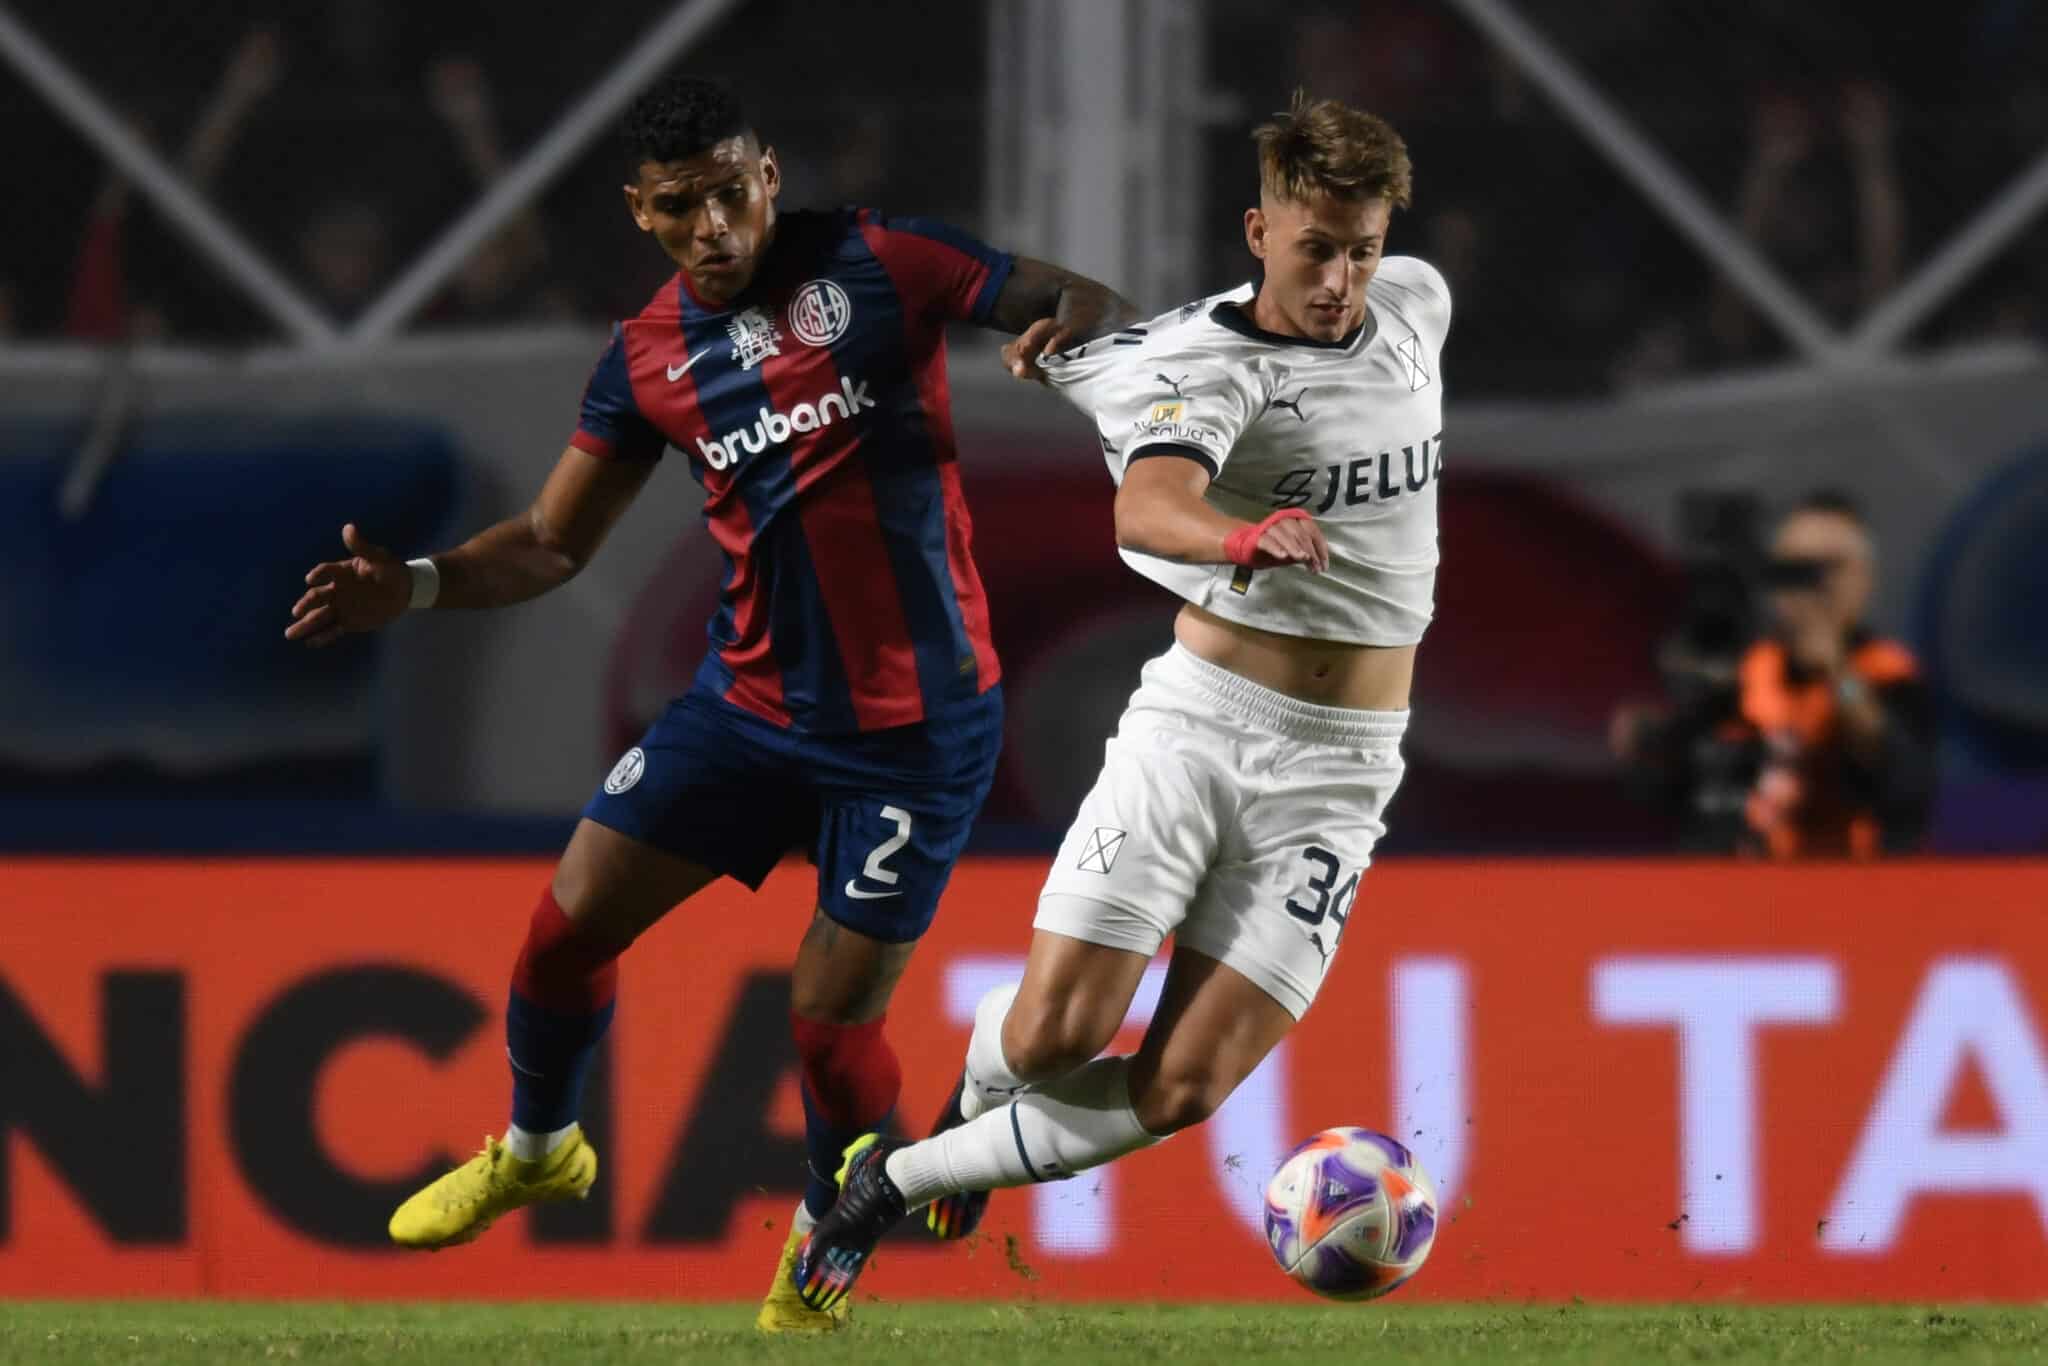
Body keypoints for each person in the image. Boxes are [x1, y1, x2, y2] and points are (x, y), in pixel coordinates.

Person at [283, 73, 1133, 1334]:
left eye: (731, 194)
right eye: (680, 206)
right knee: (564, 929)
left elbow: (1080, 297)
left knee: (827, 1026)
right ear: (643, 211)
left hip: (914, 733)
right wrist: (408, 585)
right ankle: (539, 1149)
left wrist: (1074, 335)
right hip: (744, 712)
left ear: (767, 177)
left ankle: (829, 1230)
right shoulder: (645, 357)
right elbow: (549, 541)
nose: (713, 226)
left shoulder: (878, 263)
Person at [793, 91, 1448, 1309]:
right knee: (1057, 1034)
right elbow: (1147, 503)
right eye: (1314, 249)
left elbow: (1105, 359)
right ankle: (977, 1093)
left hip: (1345, 769)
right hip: (1200, 731)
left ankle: (891, 1180)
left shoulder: (1415, 304)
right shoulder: (1206, 372)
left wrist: (1070, 354)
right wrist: (1239, 535)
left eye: (1360, 249)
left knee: (1186, 1084)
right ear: (1257, 231)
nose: (1339, 281)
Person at [1613, 492, 1935, 856]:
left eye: (1831, 568)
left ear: (1865, 579)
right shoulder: (1754, 665)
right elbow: (1685, 776)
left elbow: (1897, 771)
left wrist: (1838, 672)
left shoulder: (1887, 668)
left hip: (1856, 873)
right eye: (1797, 570)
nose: (1814, 589)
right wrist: (1655, 739)